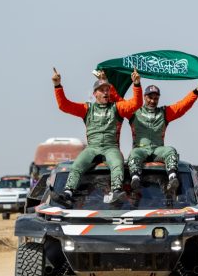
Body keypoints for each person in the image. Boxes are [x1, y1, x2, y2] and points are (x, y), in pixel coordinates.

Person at [102, 75, 198, 197]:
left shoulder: (164, 112)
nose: (152, 101)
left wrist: (197, 90)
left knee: (170, 150)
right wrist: (106, 81)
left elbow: (183, 105)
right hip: (140, 150)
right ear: (144, 97)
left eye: (156, 98)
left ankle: (172, 178)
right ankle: (135, 179)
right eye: (150, 97)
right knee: (134, 154)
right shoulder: (134, 111)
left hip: (158, 150)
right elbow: (117, 99)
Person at [52, 67, 142, 206]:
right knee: (77, 165)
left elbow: (136, 104)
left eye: (107, 89)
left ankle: (116, 192)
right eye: (102, 90)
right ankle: (68, 194)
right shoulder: (87, 108)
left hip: (111, 147)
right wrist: (57, 85)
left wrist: (136, 84)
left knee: (117, 163)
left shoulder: (117, 107)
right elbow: (64, 105)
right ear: (95, 94)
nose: (105, 92)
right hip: (92, 148)